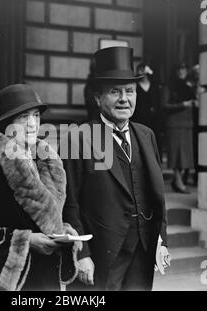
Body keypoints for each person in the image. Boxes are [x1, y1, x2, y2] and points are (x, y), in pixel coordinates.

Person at [62, 47, 170, 291]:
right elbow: (69, 204)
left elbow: (157, 196)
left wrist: (160, 240)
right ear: (98, 98)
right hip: (100, 255)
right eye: (115, 91)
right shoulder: (78, 138)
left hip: (142, 251)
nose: (124, 98)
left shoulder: (146, 135)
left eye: (129, 91)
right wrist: (81, 253)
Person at [0, 84, 81, 291]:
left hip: (43, 278)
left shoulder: (46, 162)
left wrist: (64, 233)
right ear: (7, 124)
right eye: (24, 117)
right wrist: (26, 241)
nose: (33, 124)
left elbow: (49, 216)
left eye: (36, 116)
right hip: (6, 282)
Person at [164, 63, 196, 193]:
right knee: (176, 155)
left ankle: (177, 181)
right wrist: (182, 104)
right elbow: (164, 105)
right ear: (175, 71)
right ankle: (178, 181)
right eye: (180, 68)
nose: (182, 71)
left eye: (184, 68)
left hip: (187, 124)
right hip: (174, 124)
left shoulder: (187, 86)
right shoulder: (168, 86)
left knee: (184, 156)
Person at [130, 62, 164, 154]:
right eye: (139, 70)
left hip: (154, 120)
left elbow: (159, 104)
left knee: (154, 142)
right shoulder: (135, 86)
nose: (141, 72)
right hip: (139, 118)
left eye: (143, 69)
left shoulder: (154, 85)